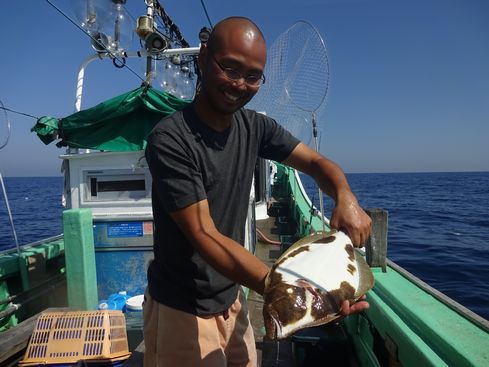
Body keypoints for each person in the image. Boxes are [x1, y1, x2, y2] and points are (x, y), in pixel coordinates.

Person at [143, 16, 372, 367]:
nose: (239, 84)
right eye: (230, 68)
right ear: (204, 57)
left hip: (232, 299)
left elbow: (316, 164)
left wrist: (346, 196)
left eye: (252, 76)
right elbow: (204, 234)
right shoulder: (171, 139)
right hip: (181, 309)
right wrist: (290, 292)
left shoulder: (256, 127)